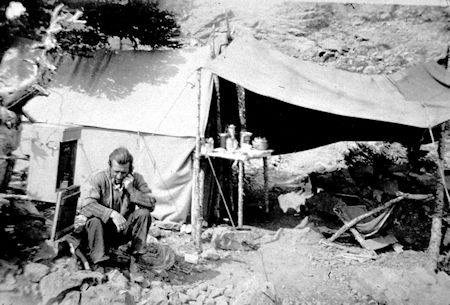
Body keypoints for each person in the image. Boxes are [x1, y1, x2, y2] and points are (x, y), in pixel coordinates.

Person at [78, 147, 155, 271]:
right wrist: (112, 214)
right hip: (101, 232)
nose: (119, 176)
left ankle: (136, 256)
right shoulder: (98, 178)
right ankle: (99, 261)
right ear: (109, 166)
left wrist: (131, 190)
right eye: (116, 171)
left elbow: (151, 204)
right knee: (94, 221)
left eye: (124, 172)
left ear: (130, 169)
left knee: (144, 214)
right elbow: (85, 204)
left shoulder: (136, 179)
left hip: (122, 230)